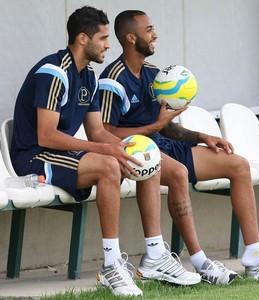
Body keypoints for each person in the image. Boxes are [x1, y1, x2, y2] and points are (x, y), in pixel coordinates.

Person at [99, 9, 259, 284]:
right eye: (149, 30)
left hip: (165, 144)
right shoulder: (112, 79)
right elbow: (106, 132)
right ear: (131, 37)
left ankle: (257, 258)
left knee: (238, 165)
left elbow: (166, 125)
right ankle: (201, 262)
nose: (155, 34)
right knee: (180, 173)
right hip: (139, 152)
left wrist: (202, 137)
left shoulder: (153, 74)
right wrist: (153, 128)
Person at [10, 6, 202, 298]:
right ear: (83, 38)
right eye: (102, 38)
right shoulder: (54, 71)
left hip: (59, 151)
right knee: (109, 166)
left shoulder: (88, 76)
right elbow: (46, 135)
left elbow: (98, 131)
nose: (108, 44)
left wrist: (122, 147)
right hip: (34, 156)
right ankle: (112, 265)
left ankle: (155, 254)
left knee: (142, 154)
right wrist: (105, 150)